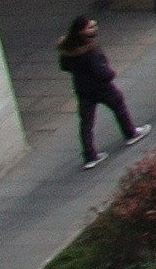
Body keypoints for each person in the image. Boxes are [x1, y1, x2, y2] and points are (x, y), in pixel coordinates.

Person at [58, 14, 135, 167]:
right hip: (101, 87)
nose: (94, 28)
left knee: (86, 123)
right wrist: (110, 74)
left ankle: (89, 155)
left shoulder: (67, 49)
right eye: (90, 27)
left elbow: (64, 66)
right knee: (119, 106)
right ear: (81, 32)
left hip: (83, 89)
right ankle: (130, 133)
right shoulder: (91, 50)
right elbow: (101, 71)